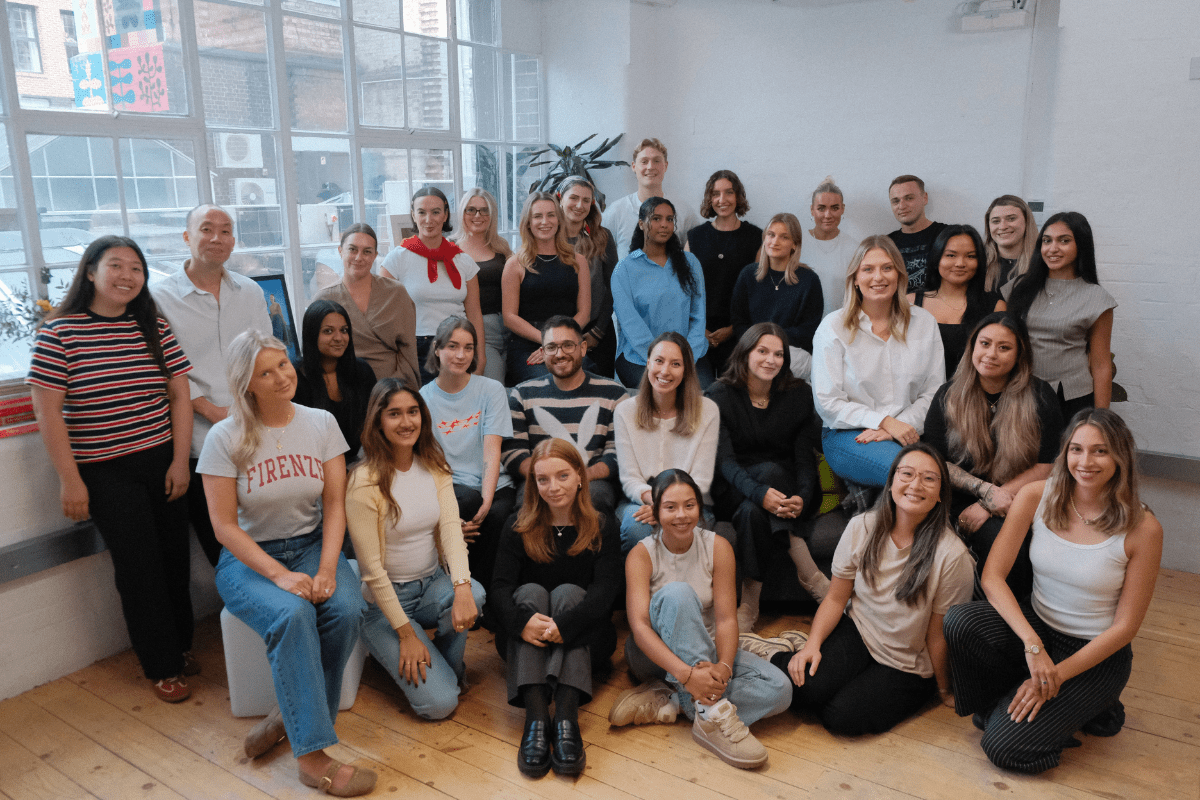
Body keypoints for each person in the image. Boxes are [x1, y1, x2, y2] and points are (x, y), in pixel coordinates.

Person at [197, 331, 374, 797]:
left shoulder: (320, 423)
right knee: (293, 614)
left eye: (283, 364)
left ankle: (289, 716)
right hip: (248, 558)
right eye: (266, 372)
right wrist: (278, 575)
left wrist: (329, 569)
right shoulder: (223, 437)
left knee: (346, 609)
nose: (281, 377)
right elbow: (224, 527)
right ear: (247, 384)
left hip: (311, 544)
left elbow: (334, 504)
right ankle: (312, 759)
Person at [944, 409, 1163, 774]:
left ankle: (1097, 707)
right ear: (1065, 453)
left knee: (1002, 748)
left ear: (1120, 457)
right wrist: (1033, 646)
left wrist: (1057, 675)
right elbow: (993, 577)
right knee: (960, 621)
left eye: (1100, 451)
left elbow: (1125, 628)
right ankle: (1020, 705)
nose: (1085, 461)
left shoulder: (1144, 529)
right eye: (1076, 449)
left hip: (1094, 652)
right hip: (1040, 628)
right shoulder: (1036, 496)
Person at [29, 235, 197, 703]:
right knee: (139, 568)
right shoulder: (59, 333)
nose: (127, 276)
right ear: (90, 272)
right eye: (116, 266)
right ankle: (161, 665)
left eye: (136, 268)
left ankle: (180, 645)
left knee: (174, 559)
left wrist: (179, 461)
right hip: (106, 472)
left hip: (161, 459)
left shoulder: (153, 327)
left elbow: (180, 396)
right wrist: (70, 481)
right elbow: (48, 413)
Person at [764, 444, 974, 735]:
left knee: (841, 718)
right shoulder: (861, 526)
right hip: (859, 630)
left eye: (929, 478)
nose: (916, 485)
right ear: (891, 483)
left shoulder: (952, 555)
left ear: (940, 493)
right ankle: (778, 652)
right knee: (805, 689)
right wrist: (812, 645)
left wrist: (943, 688)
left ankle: (843, 681)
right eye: (907, 474)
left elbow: (937, 635)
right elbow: (835, 599)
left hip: (906, 662)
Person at [610, 470, 791, 770]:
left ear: (700, 508)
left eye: (689, 505)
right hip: (653, 658)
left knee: (780, 689)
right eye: (670, 507)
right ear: (656, 511)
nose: (681, 515)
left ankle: (674, 701)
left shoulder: (718, 547)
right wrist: (686, 675)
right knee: (678, 593)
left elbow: (726, 620)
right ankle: (710, 713)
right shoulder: (641, 555)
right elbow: (640, 628)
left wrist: (724, 667)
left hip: (707, 649)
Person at [345, 379, 486, 721]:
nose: (406, 422)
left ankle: (443, 669)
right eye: (394, 414)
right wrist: (406, 634)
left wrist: (461, 586)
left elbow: (451, 531)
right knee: (440, 705)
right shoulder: (363, 481)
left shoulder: (434, 465)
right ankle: (427, 666)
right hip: (382, 603)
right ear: (378, 421)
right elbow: (372, 571)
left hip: (430, 585)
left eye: (413, 412)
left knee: (475, 593)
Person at [489, 438, 623, 778]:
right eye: (543, 479)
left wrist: (566, 625)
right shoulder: (517, 525)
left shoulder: (602, 524)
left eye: (562, 476)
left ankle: (566, 717)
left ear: (580, 476)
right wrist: (522, 624)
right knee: (531, 591)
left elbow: (605, 592)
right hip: (526, 638)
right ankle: (536, 717)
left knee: (568, 593)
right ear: (533, 484)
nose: (554, 487)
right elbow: (500, 590)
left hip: (586, 637)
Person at [151, 203, 271, 567]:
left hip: (254, 434)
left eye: (225, 231)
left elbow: (264, 356)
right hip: (198, 440)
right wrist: (210, 410)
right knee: (224, 551)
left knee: (266, 539)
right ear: (187, 237)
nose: (216, 238)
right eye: (206, 229)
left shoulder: (250, 291)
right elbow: (163, 369)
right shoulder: (159, 298)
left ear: (233, 241)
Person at [923, 312, 1064, 595]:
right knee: (997, 538)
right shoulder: (947, 395)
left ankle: (1019, 614)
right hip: (960, 500)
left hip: (1021, 499)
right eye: (985, 343)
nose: (991, 354)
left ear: (1019, 354)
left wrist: (991, 503)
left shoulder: (1040, 395)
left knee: (1017, 542)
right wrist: (985, 493)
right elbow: (935, 462)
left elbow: (1047, 465)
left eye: (1004, 347)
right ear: (973, 346)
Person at [706, 323, 825, 631]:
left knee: (752, 512)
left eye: (778, 354)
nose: (771, 360)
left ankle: (750, 601)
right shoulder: (720, 395)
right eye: (762, 351)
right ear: (745, 352)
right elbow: (725, 463)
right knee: (766, 478)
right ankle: (810, 574)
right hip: (733, 487)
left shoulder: (799, 395)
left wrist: (803, 496)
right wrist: (760, 493)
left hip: (784, 490)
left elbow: (804, 459)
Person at [812, 235, 945, 489]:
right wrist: (885, 423)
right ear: (855, 279)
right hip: (849, 434)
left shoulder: (924, 323)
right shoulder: (833, 327)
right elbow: (828, 403)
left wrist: (898, 427)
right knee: (911, 473)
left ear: (899, 275)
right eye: (868, 269)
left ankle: (870, 500)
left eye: (887, 268)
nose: (878, 277)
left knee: (930, 472)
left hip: (910, 429)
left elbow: (933, 392)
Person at [420, 316, 515, 590]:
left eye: (468, 348)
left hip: (494, 484)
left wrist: (487, 500)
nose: (461, 355)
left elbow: (492, 448)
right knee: (467, 503)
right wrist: (447, 516)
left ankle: (484, 595)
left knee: (496, 515)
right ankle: (461, 590)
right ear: (437, 349)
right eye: (452, 346)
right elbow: (429, 461)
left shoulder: (491, 390)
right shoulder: (423, 398)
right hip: (450, 485)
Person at [502, 316, 628, 517]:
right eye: (551, 347)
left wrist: (582, 476)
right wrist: (549, 478)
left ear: (583, 348)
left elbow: (619, 452)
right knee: (527, 505)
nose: (560, 354)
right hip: (540, 479)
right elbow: (513, 452)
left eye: (568, 345)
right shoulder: (522, 394)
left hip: (592, 481)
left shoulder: (614, 394)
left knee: (596, 499)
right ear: (542, 352)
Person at [1003, 211, 1116, 421]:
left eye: (1064, 241)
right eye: (1047, 241)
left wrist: (1100, 419)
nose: (1052, 248)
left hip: (1072, 398)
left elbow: (1101, 364)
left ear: (1081, 245)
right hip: (1020, 390)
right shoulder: (1018, 287)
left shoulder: (1097, 298)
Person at [613, 332, 720, 552]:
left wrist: (668, 507)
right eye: (659, 361)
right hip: (640, 500)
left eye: (675, 364)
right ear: (648, 363)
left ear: (686, 370)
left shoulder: (708, 410)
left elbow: (701, 479)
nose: (665, 371)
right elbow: (629, 478)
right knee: (637, 528)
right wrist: (656, 503)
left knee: (685, 526)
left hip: (692, 503)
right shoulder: (625, 410)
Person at [380, 186, 485, 383]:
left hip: (459, 345)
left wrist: (480, 355)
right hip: (417, 346)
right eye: (422, 212)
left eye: (436, 212)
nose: (429, 220)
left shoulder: (463, 260)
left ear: (445, 215)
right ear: (413, 215)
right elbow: (384, 316)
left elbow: (474, 314)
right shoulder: (396, 260)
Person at [611, 197, 708, 388]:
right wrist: (660, 358)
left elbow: (698, 316)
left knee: (701, 398)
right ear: (641, 224)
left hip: (689, 355)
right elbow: (631, 325)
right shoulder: (624, 269)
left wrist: (686, 356)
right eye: (656, 218)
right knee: (659, 396)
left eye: (669, 219)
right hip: (640, 357)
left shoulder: (690, 263)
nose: (664, 224)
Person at [315, 223, 420, 389]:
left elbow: (408, 352)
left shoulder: (396, 293)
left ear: (375, 255)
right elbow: (316, 356)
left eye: (367, 251)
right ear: (340, 251)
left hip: (393, 387)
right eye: (352, 249)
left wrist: (395, 391)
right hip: (343, 388)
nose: (359, 257)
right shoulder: (324, 299)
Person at [501, 193, 591, 385]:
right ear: (528, 223)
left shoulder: (578, 261)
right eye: (537, 216)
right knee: (548, 382)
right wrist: (547, 341)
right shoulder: (515, 264)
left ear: (559, 220)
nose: (545, 222)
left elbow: (584, 313)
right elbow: (509, 317)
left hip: (568, 343)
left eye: (551, 215)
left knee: (588, 379)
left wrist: (560, 343)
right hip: (528, 346)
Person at [685, 170, 763, 376]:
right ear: (709, 198)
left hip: (740, 332)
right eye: (715, 193)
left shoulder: (755, 237)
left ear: (738, 196)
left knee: (732, 389)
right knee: (702, 390)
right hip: (698, 332)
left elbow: (757, 293)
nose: (722, 200)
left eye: (729, 192)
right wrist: (700, 329)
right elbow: (684, 289)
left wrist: (732, 329)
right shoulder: (695, 237)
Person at [729, 212, 824, 380]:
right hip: (754, 348)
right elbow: (739, 322)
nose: (775, 241)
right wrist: (761, 344)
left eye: (784, 237)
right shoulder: (748, 274)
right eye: (771, 235)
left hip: (792, 352)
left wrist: (771, 341)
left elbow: (809, 329)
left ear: (794, 244)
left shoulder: (809, 280)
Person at [907, 225, 1005, 378]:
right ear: (937, 258)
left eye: (970, 256)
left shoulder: (995, 306)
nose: (960, 263)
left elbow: (1000, 360)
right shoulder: (910, 302)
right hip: (920, 391)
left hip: (972, 390)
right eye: (951, 255)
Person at [292, 299, 376, 463]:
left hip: (359, 462)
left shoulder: (362, 372)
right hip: (312, 465)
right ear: (311, 334)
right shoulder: (294, 378)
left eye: (344, 330)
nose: (339, 338)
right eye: (328, 331)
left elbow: (375, 424)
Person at [558, 176, 619, 378]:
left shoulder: (603, 237)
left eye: (586, 200)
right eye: (574, 198)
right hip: (559, 332)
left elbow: (613, 287)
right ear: (560, 199)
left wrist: (598, 331)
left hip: (597, 332)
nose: (579, 205)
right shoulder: (547, 238)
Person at [453, 188, 512, 385]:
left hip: (508, 328)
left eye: (484, 210)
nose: (478, 215)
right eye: (471, 210)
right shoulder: (450, 248)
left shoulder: (502, 246)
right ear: (462, 213)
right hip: (478, 329)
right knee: (494, 387)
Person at [602, 138, 691, 260]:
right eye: (644, 161)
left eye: (656, 161)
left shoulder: (683, 211)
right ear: (634, 166)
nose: (650, 167)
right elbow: (599, 255)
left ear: (665, 166)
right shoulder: (616, 212)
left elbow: (694, 255)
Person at [804, 176, 862, 317]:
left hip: (840, 324)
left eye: (834, 208)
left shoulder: (854, 249)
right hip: (802, 326)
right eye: (821, 208)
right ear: (812, 210)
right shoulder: (797, 244)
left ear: (842, 209)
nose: (828, 215)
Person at [886, 175, 947, 293]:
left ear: (925, 198)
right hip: (900, 305)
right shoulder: (887, 244)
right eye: (896, 201)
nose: (902, 206)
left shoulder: (947, 235)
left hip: (940, 304)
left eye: (909, 198)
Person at [983, 195, 1038, 292]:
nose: (1003, 226)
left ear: (1027, 221)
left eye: (1011, 219)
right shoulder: (977, 262)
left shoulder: (1043, 262)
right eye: (996, 221)